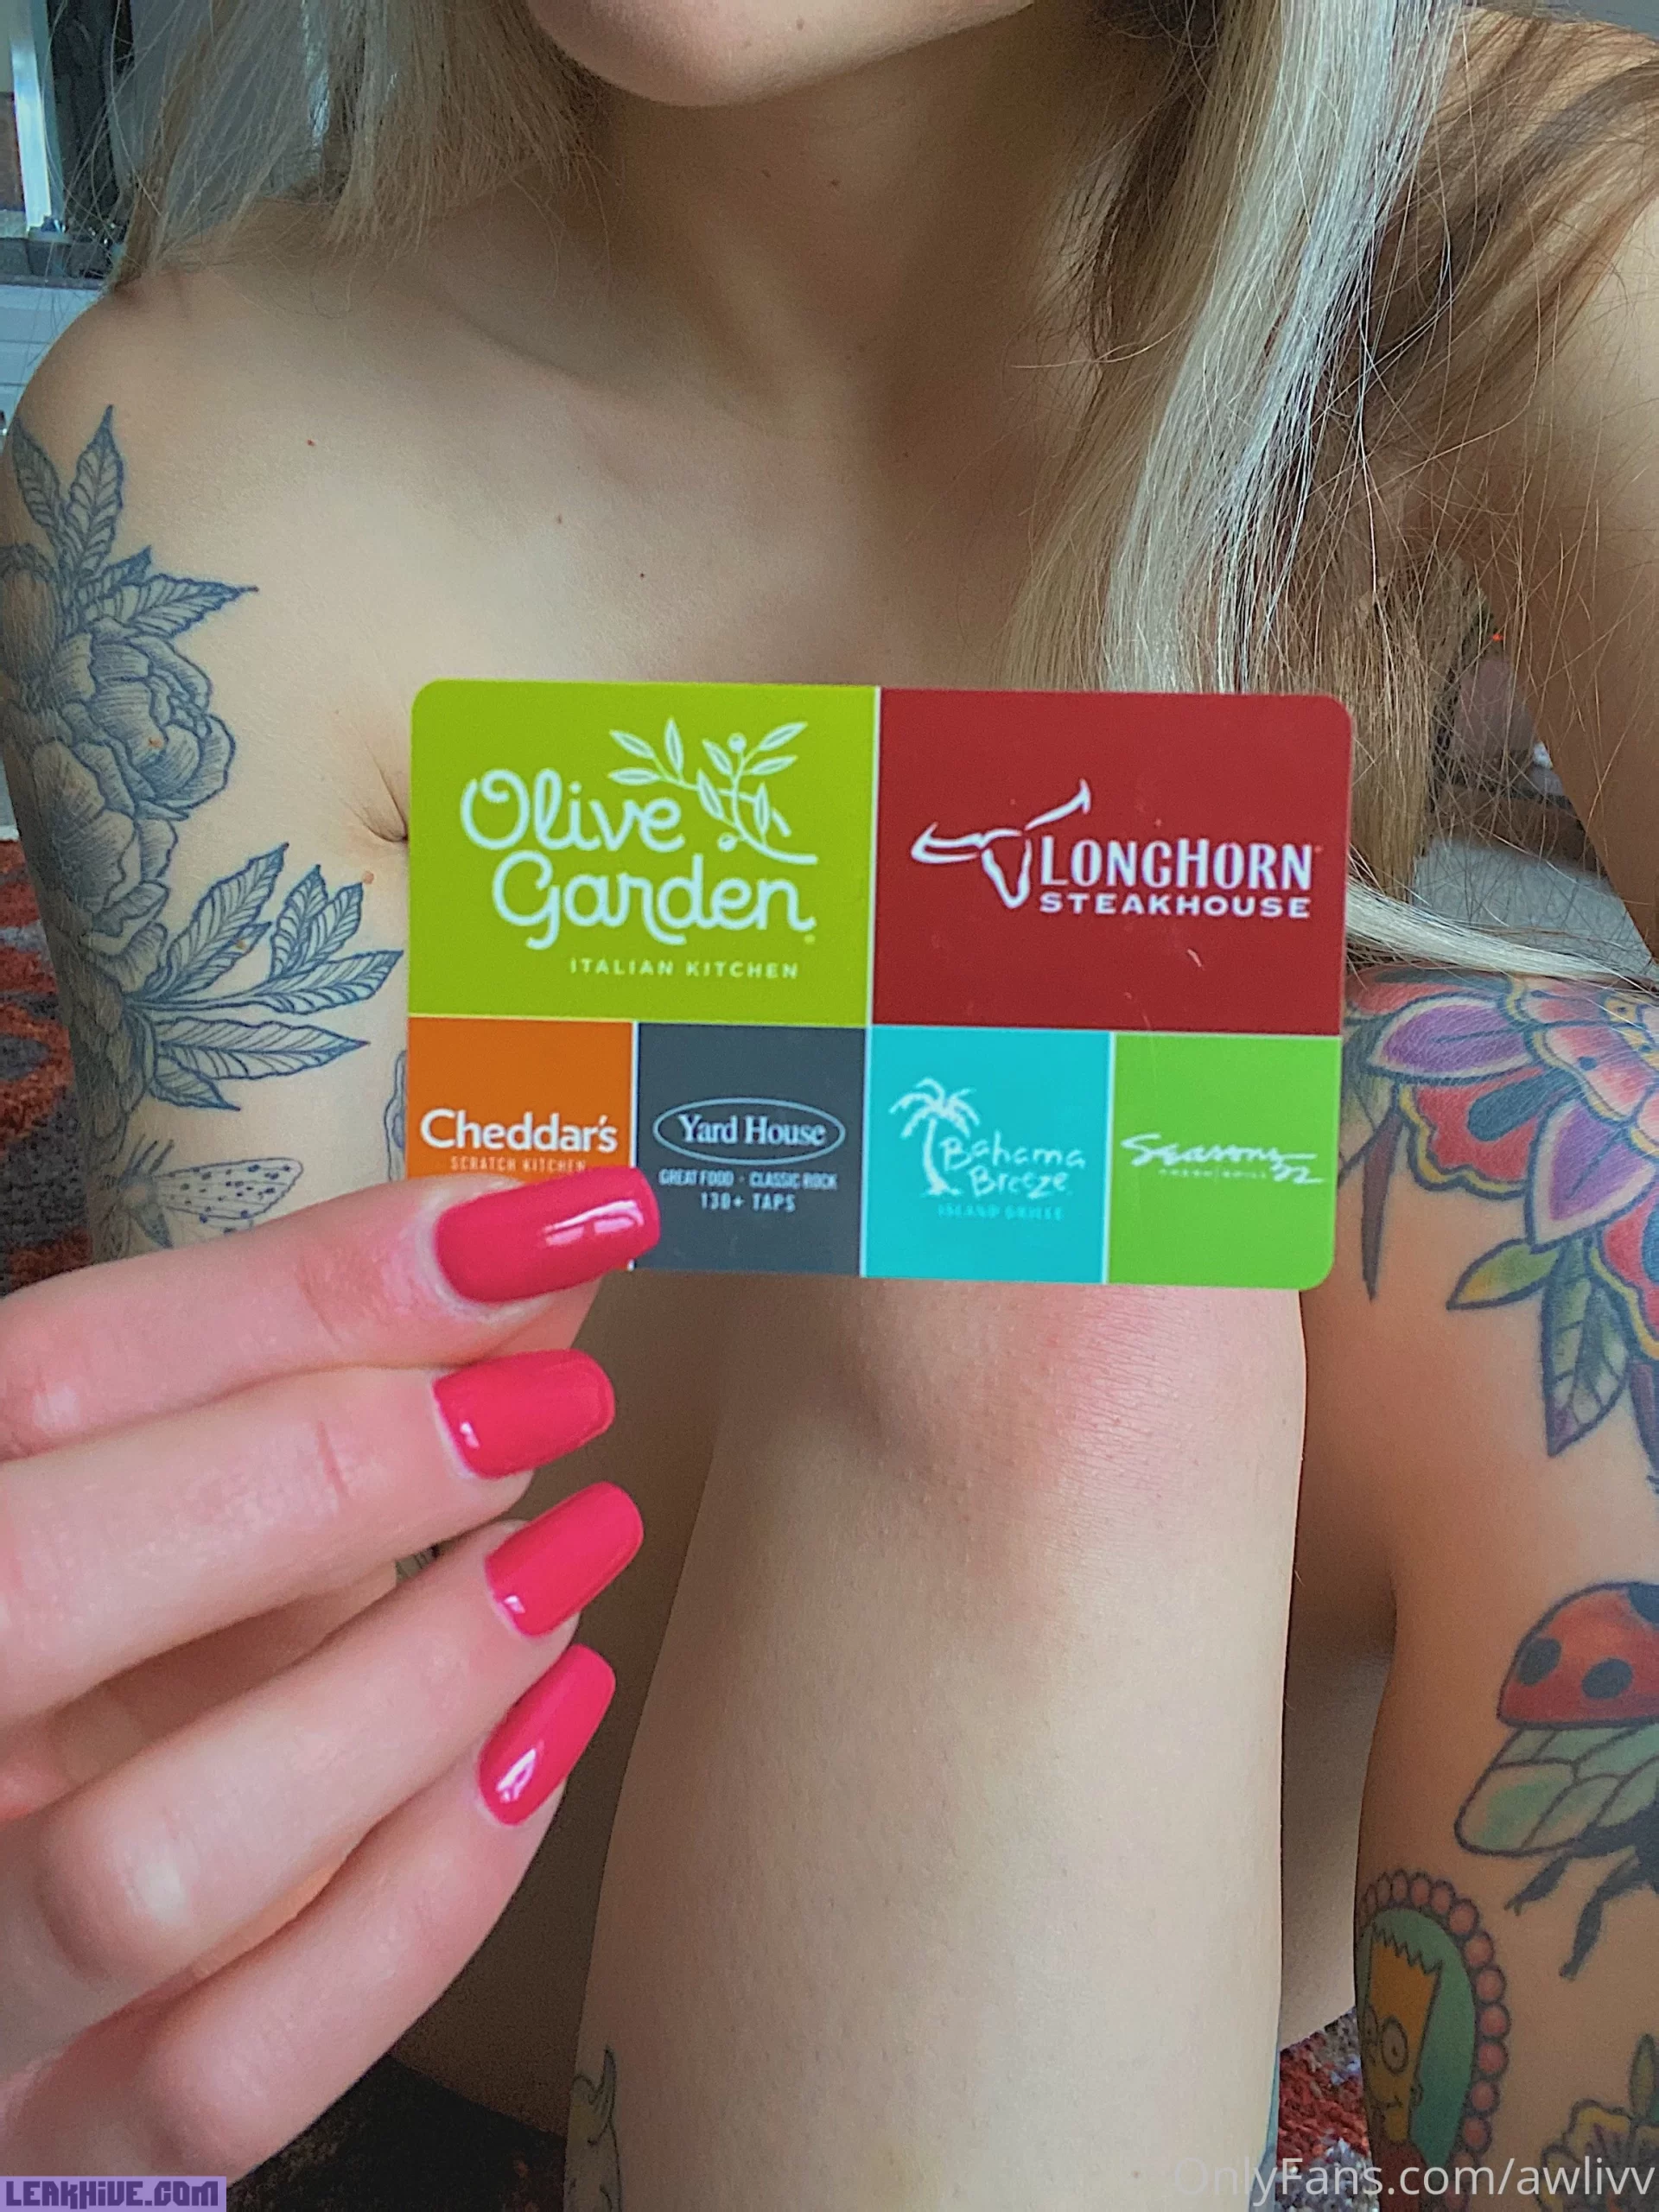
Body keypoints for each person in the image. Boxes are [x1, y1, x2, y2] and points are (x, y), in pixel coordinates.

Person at [3, 0, 1659, 2196]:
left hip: (1237, 1730)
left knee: (1564, 1172)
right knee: (1045, 1255)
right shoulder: (208, 451)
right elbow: (245, 1724)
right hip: (545, 1843)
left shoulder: (1529, 229)